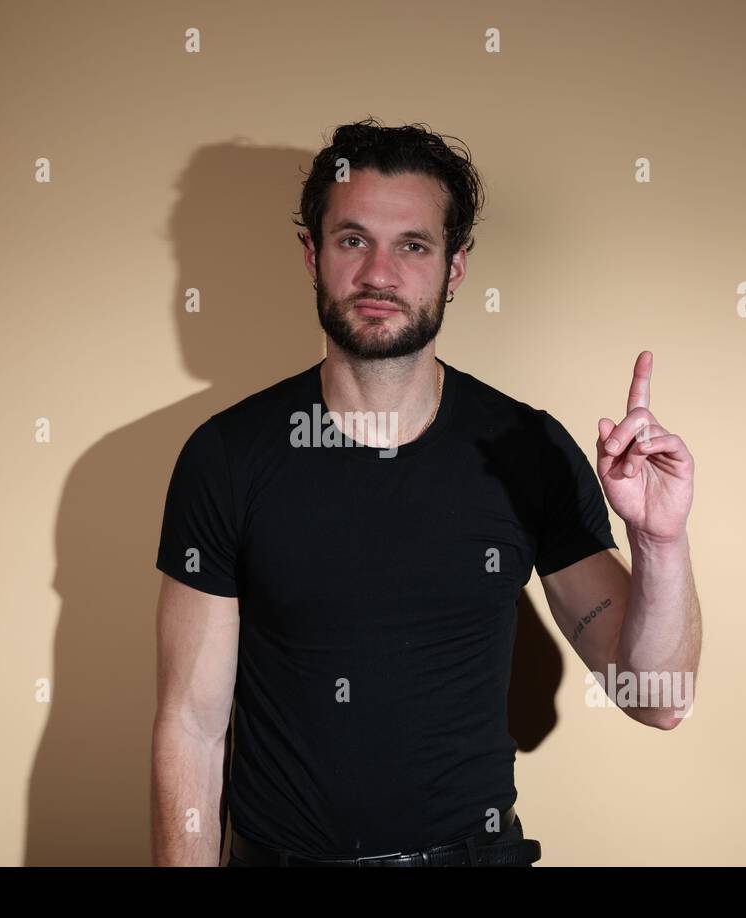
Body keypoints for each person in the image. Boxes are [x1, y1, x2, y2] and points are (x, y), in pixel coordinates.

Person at [151, 118, 702, 867]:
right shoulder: (227, 457)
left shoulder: (526, 449)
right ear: (312, 255)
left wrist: (659, 542)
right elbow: (191, 725)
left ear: (455, 268)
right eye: (352, 240)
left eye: (413, 244)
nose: (380, 272)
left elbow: (658, 698)